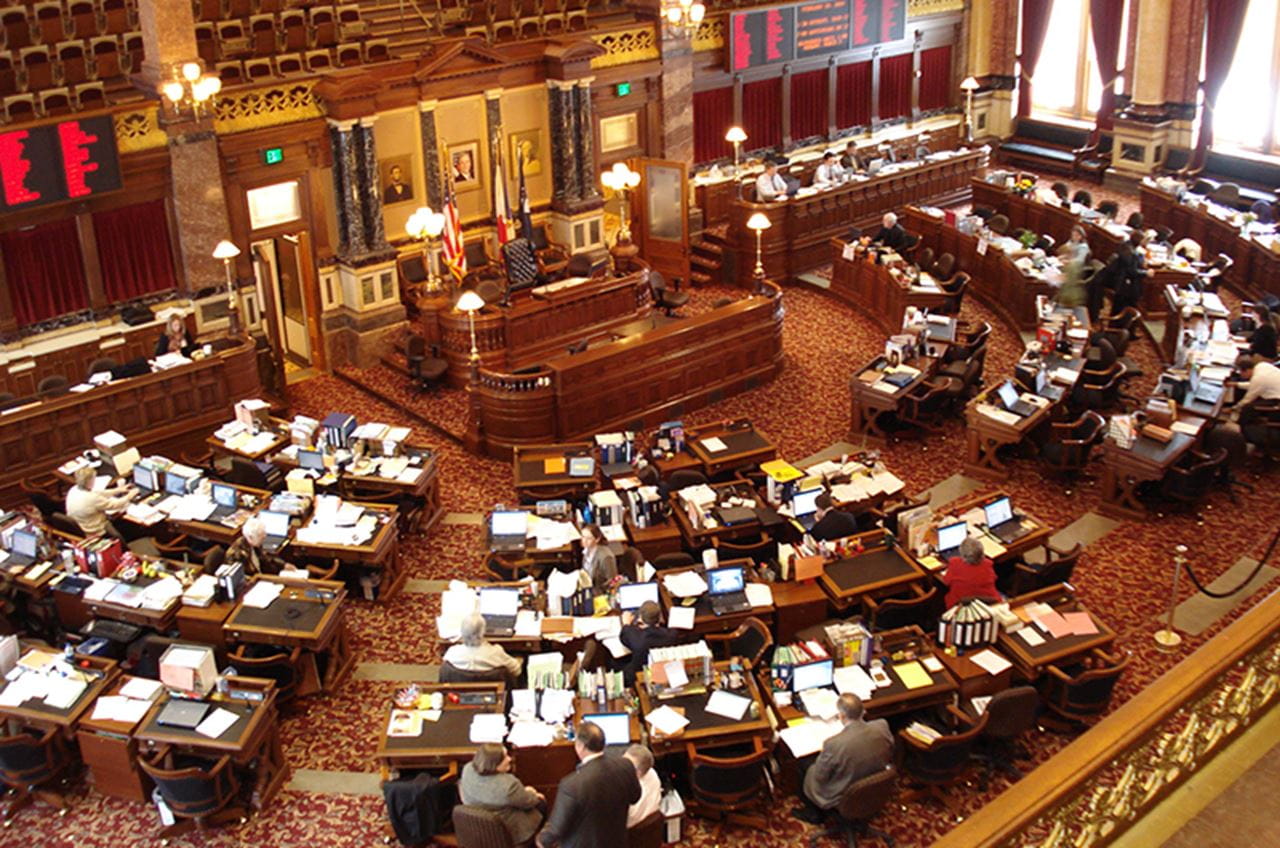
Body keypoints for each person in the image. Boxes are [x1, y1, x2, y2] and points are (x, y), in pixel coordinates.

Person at [536, 721, 640, 848]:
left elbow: (554, 831)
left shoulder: (571, 785)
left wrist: (540, 840)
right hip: (617, 842)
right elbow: (635, 797)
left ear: (580, 746)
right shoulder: (625, 766)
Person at [793, 693, 893, 824]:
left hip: (844, 792)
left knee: (806, 765)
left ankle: (814, 813)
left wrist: (820, 759)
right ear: (863, 711)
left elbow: (820, 777)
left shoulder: (833, 744)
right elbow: (890, 750)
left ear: (842, 716)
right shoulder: (882, 726)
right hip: (873, 780)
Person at [460, 743, 544, 845]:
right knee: (541, 802)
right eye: (505, 757)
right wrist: (531, 793)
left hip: (476, 826)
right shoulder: (509, 786)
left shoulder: (467, 769)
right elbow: (528, 802)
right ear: (495, 764)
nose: (509, 759)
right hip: (504, 831)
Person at [444, 613, 523, 680]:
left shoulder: (451, 653)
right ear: (483, 632)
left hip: (460, 692)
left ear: (462, 631)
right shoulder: (496, 652)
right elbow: (517, 671)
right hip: (494, 692)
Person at [615, 600, 678, 683]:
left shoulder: (635, 636)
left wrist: (626, 623)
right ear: (660, 617)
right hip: (662, 672)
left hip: (638, 673)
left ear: (640, 617)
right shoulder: (672, 635)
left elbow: (624, 637)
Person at [65, 465, 133, 538]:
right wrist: (130, 496)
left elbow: (97, 493)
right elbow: (114, 505)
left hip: (82, 525)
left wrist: (119, 490)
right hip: (96, 531)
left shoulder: (74, 490)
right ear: (89, 481)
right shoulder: (91, 498)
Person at [942, 537, 1001, 609]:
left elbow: (946, 581)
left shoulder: (954, 563)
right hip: (988, 604)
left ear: (963, 555)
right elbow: (994, 578)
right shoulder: (988, 564)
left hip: (960, 606)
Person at [624, 744, 663, 828]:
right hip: (651, 826)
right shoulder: (652, 772)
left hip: (631, 829)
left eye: (626, 765)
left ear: (638, 773)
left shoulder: (630, 790)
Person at [1110, 230, 1149, 314]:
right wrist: (1146, 273)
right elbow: (1133, 271)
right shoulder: (1133, 253)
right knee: (1128, 303)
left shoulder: (1124, 244)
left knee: (1117, 306)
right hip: (1126, 286)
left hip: (1118, 280)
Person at [1055, 225, 1091, 309]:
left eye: (1076, 235)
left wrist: (1068, 261)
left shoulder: (1083, 247)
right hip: (1066, 266)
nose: (1074, 237)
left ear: (1081, 236)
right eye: (1073, 235)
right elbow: (1064, 250)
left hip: (1075, 270)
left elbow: (1079, 260)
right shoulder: (1071, 242)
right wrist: (1062, 256)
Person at [580, 524, 616, 594]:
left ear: (597, 539)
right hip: (589, 588)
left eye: (588, 538)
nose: (584, 541)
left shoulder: (606, 557)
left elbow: (612, 581)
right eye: (583, 537)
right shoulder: (587, 550)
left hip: (601, 592)